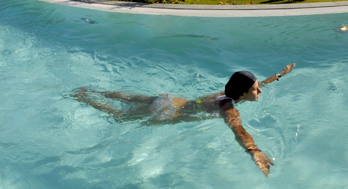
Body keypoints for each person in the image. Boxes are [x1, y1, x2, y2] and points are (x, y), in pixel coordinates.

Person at [73, 63, 295, 176]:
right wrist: (254, 151)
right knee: (119, 117)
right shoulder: (228, 108)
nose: (260, 92)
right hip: (167, 113)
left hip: (169, 99)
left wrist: (280, 75)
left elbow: (260, 84)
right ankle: (83, 98)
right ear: (244, 94)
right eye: (255, 90)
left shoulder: (226, 92)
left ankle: (93, 91)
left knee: (130, 98)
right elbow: (239, 132)